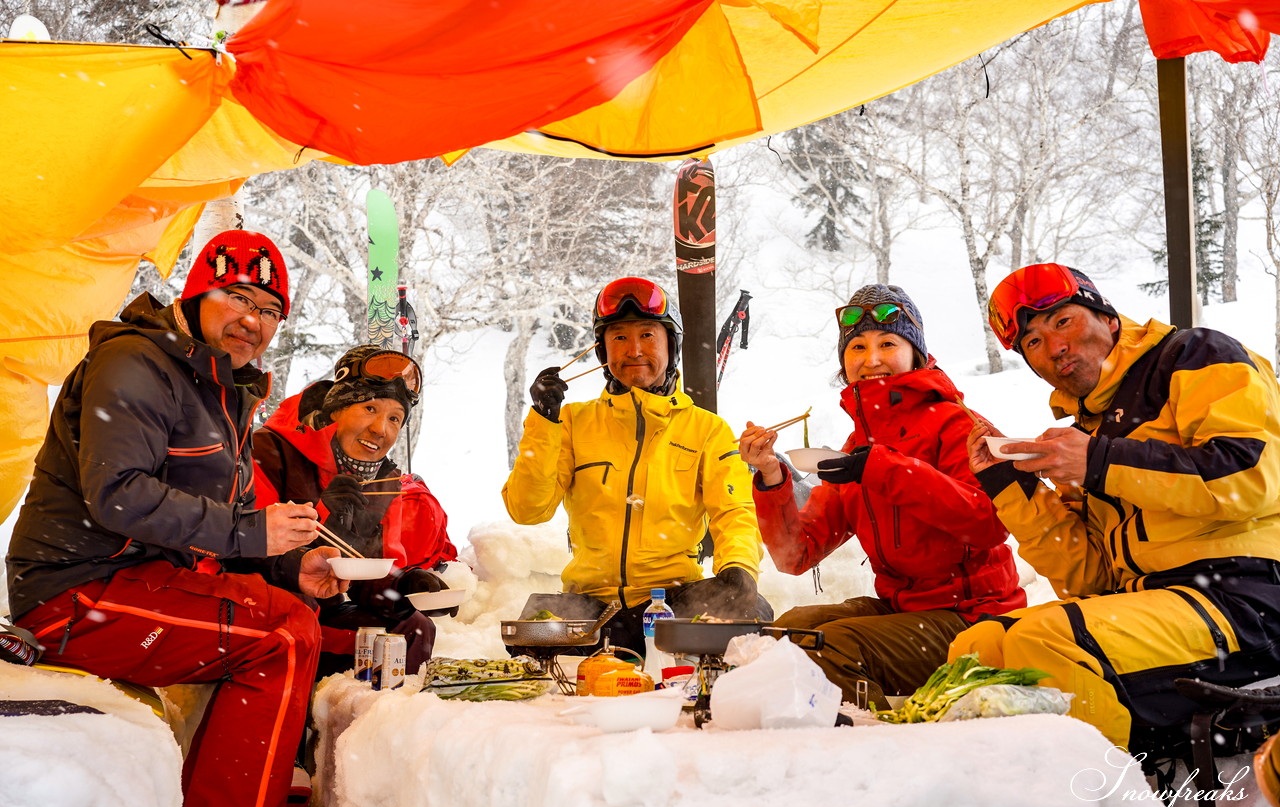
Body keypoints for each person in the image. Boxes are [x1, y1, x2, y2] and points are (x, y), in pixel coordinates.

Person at [5, 229, 342, 807]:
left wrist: (292, 561)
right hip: (75, 590)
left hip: (139, 580)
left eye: (270, 310)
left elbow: (233, 508)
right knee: (279, 635)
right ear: (196, 294)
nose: (253, 320)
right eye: (237, 296)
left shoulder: (218, 385)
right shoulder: (135, 363)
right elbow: (120, 494)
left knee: (286, 611)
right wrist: (249, 534)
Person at [956, 262, 1280, 748]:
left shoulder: (1195, 355)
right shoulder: (1083, 431)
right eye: (1033, 343)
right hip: (1153, 602)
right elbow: (1090, 577)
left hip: (1248, 597)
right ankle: (1003, 802)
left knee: (1043, 641)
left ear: (1107, 317)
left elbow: (1250, 474)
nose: (1054, 348)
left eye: (1062, 322)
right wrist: (1008, 484)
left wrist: (1099, 461)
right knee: (979, 648)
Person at [739, 284, 1025, 709]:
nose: (870, 359)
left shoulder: (959, 425)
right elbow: (796, 554)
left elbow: (989, 524)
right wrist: (770, 476)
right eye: (857, 346)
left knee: (826, 645)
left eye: (887, 343)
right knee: (787, 634)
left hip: (975, 618)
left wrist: (884, 468)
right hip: (903, 612)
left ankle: (882, 748)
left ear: (916, 353)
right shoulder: (858, 444)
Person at [502, 276, 767, 656]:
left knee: (753, 616)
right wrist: (544, 421)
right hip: (591, 606)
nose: (634, 350)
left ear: (670, 345)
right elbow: (528, 510)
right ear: (602, 351)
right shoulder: (573, 422)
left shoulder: (707, 430)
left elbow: (735, 513)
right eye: (619, 338)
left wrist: (739, 570)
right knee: (531, 635)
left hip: (673, 603)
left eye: (647, 335)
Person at [252, 345, 460, 679]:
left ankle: (380, 722)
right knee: (299, 616)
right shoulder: (271, 451)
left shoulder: (384, 480)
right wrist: (322, 512)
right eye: (369, 408)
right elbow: (244, 547)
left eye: (395, 418)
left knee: (413, 628)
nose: (381, 429)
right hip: (262, 603)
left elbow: (370, 573)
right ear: (337, 409)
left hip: (326, 607)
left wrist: (404, 585)